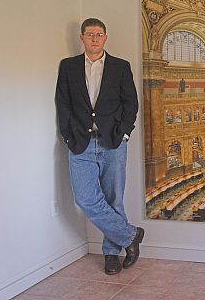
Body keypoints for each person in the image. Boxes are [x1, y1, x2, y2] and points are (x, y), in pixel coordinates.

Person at [55, 18, 144, 275]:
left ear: (106, 38)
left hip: (112, 142)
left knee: (113, 197)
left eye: (99, 34)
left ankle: (110, 254)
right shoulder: (68, 66)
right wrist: (68, 136)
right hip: (80, 142)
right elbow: (63, 104)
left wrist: (124, 134)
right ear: (82, 37)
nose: (94, 38)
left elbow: (131, 104)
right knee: (85, 198)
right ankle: (131, 236)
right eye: (90, 34)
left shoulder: (120, 66)